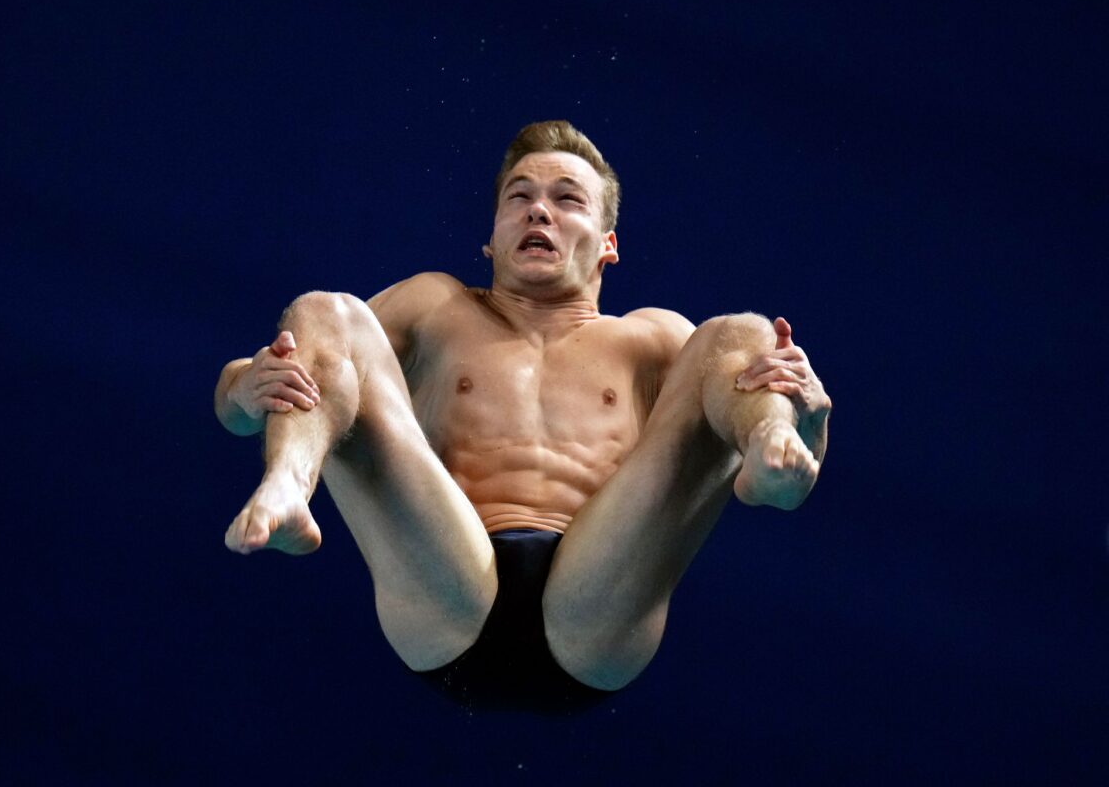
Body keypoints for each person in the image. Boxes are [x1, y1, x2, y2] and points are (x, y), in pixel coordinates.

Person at [213, 120, 831, 710]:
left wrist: (807, 422)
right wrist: (245, 391)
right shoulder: (436, 307)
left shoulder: (651, 340)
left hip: (600, 600)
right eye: (520, 197)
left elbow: (739, 383)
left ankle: (769, 442)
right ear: (492, 234)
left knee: (736, 334)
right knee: (329, 313)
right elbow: (253, 387)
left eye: (568, 200)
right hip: (445, 584)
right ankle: (289, 483)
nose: (540, 211)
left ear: (608, 246)